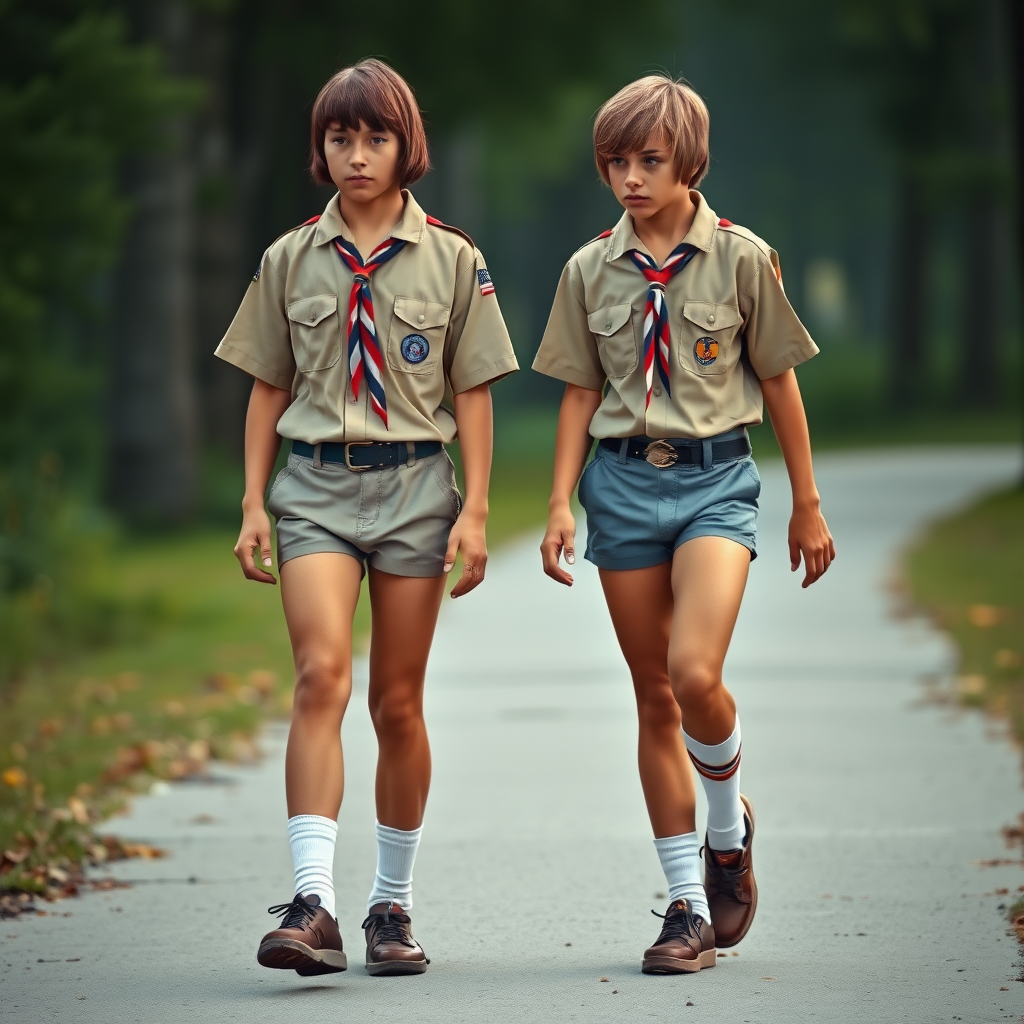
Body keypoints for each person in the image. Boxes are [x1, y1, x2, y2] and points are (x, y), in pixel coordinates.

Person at [215, 58, 517, 978]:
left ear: (404, 145)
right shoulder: (289, 258)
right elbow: (269, 387)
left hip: (417, 491)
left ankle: (392, 907)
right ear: (322, 147)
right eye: (339, 138)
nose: (355, 154)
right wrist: (252, 503)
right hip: (313, 490)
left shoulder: (453, 259)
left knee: (396, 701)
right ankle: (313, 904)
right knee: (319, 676)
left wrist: (475, 511)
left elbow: (473, 393)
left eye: (374, 137)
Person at [534, 75, 834, 974]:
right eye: (615, 161)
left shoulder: (743, 257)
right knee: (653, 696)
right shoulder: (589, 268)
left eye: (648, 160)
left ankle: (727, 829)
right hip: (620, 487)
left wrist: (806, 503)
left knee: (693, 673)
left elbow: (779, 377)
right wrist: (557, 500)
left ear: (689, 161)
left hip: (715, 484)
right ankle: (685, 906)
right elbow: (579, 391)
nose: (629, 177)